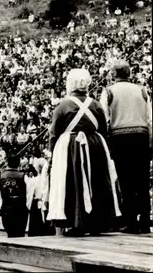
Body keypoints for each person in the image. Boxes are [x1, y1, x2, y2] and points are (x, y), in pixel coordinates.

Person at [47, 68, 121, 237]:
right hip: (95, 146)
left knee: (73, 183)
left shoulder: (62, 106)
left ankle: (77, 223)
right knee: (97, 181)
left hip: (70, 148)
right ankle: (97, 223)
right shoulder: (95, 104)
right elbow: (103, 128)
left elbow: (54, 133)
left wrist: (52, 155)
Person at [100, 60, 152, 234]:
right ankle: (145, 221)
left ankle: (130, 222)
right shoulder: (142, 90)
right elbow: (150, 119)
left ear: (114, 74)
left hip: (120, 139)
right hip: (142, 137)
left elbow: (104, 119)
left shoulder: (108, 91)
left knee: (126, 181)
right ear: (129, 73)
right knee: (143, 181)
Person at [0, 154, 28, 238]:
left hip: (6, 208)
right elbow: (28, 193)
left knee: (10, 233)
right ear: (18, 163)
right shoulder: (23, 176)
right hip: (20, 208)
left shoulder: (1, 176)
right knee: (20, 234)